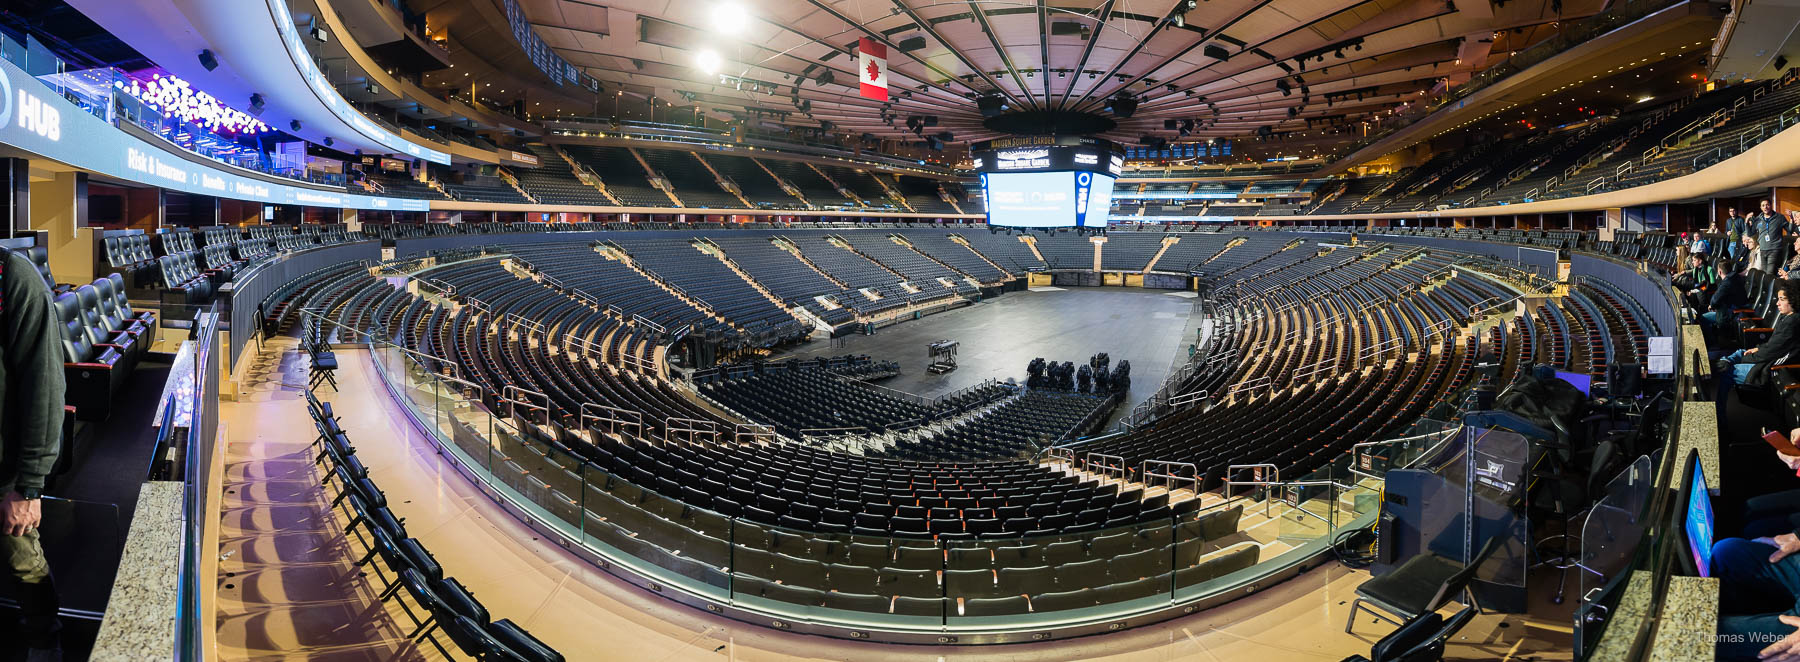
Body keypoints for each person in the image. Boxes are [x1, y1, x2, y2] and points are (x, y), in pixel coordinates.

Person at [0, 244, 64, 661]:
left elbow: (45, 385)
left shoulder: (11, 276)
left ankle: (45, 645)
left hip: (4, 472)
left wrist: (28, 485)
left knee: (25, 563)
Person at [1717, 280, 1800, 390]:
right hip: (1766, 357)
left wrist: (1746, 358)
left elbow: (1771, 352)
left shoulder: (1792, 323)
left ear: (1794, 300)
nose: (1777, 303)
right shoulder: (1787, 316)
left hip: (1768, 368)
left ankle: (1719, 406)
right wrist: (1757, 349)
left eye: (1782, 299)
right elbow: (1773, 344)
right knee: (1739, 352)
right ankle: (1724, 361)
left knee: (1726, 371)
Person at [1753, 200, 1789, 273]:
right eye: (1763, 205)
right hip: (1763, 249)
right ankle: (1767, 284)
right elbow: (1751, 233)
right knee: (1764, 272)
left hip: (1774, 248)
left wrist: (1791, 218)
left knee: (1770, 272)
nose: (1765, 207)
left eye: (1767, 205)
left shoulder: (1780, 217)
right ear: (1761, 207)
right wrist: (1747, 223)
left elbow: (1789, 230)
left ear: (1771, 205)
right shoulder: (1758, 219)